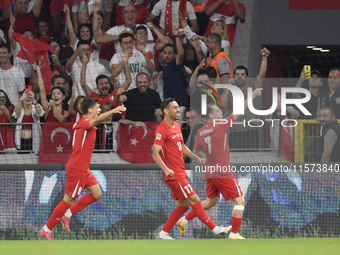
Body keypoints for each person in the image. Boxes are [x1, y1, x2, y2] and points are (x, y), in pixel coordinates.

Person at [176, 88, 262, 240]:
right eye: (217, 111)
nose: (221, 112)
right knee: (239, 200)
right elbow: (239, 110)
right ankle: (234, 234)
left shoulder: (201, 132)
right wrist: (253, 95)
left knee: (211, 201)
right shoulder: (221, 125)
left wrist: (203, 159)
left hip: (210, 172)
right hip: (222, 171)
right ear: (211, 115)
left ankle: (183, 220)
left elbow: (194, 151)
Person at [39, 98, 126, 240]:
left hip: (83, 169)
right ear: (90, 110)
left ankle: (67, 215)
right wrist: (113, 110)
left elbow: (96, 122)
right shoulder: (85, 123)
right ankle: (46, 229)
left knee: (96, 193)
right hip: (77, 168)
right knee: (67, 200)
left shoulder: (84, 124)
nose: (99, 110)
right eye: (98, 107)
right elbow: (97, 121)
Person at [152, 97, 230, 240]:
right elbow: (155, 152)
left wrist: (197, 157)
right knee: (195, 200)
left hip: (180, 172)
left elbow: (181, 147)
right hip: (174, 174)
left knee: (182, 206)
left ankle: (163, 233)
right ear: (166, 111)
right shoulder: (162, 129)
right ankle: (216, 229)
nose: (178, 110)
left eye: (177, 107)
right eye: (175, 108)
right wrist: (166, 169)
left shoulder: (176, 126)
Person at [222, 47, 270, 149]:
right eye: (237, 74)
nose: (240, 76)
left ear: (247, 77)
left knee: (252, 163)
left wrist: (264, 58)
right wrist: (228, 87)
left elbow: (261, 75)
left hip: (251, 132)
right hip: (235, 133)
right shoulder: (229, 91)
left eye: (242, 74)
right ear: (234, 77)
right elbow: (221, 105)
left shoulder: (252, 88)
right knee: (234, 163)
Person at [162, 27, 188, 120]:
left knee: (175, 132)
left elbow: (181, 54)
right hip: (169, 107)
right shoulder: (165, 69)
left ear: (174, 55)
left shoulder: (176, 64)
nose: (167, 55)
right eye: (165, 53)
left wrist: (176, 36)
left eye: (170, 53)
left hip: (179, 106)